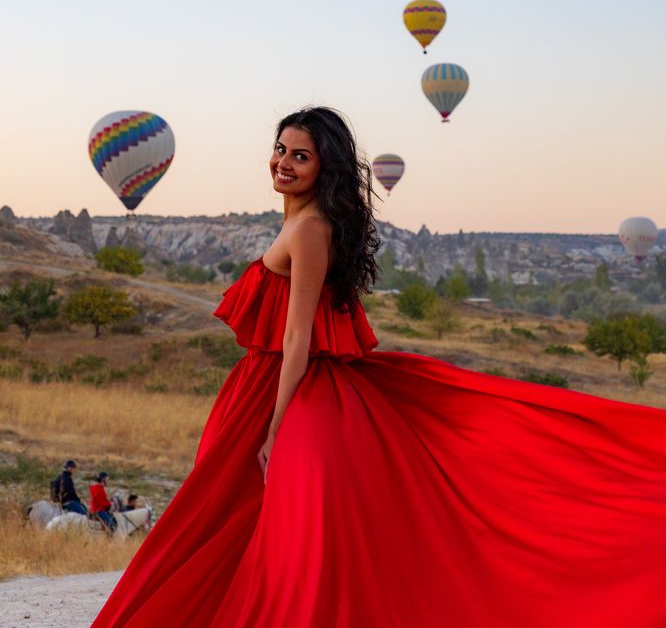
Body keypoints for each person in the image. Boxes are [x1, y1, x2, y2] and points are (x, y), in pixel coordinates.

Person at [93, 107, 666, 627]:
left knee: (239, 520)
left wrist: (275, 428)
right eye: (281, 149)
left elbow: (297, 338)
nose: (285, 163)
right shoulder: (297, 222)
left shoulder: (310, 230)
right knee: (223, 519)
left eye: (301, 155)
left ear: (325, 167)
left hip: (283, 391)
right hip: (261, 386)